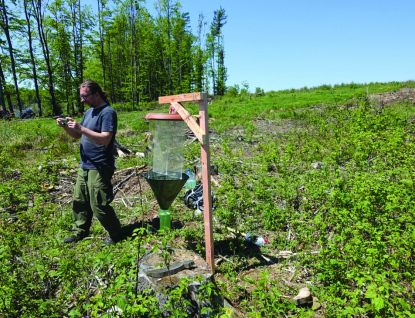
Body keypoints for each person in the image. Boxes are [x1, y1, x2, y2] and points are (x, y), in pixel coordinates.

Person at [57, 79, 124, 246]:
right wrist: (67, 127)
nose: (82, 100)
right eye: (81, 97)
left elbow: (106, 139)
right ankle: (80, 231)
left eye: (85, 96)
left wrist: (81, 128)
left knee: (98, 204)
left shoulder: (107, 112)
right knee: (80, 200)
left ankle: (117, 235)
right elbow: (78, 135)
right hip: (85, 165)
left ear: (96, 94)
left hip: (100, 166)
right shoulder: (89, 113)